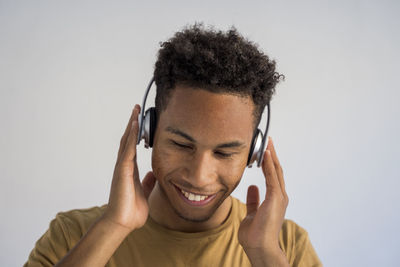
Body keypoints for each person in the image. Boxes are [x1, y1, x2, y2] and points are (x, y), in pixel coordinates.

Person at [24, 24, 322, 267]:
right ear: (147, 132)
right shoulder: (72, 235)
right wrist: (114, 227)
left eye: (224, 152)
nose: (199, 175)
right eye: (181, 144)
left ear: (254, 153)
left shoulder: (286, 247)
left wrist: (265, 254)